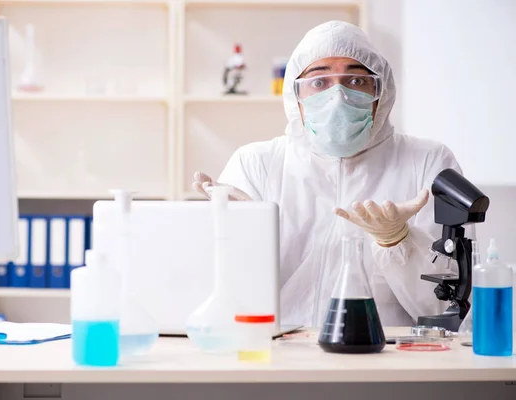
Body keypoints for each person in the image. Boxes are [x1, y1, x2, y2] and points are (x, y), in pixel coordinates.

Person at [192, 20, 464, 328]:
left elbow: (447, 310)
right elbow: (217, 296)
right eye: (319, 82)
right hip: (279, 357)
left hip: (390, 357)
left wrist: (399, 242)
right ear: (296, 96)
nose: (338, 97)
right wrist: (237, 237)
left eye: (356, 81)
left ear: (381, 90)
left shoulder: (427, 161)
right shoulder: (257, 164)